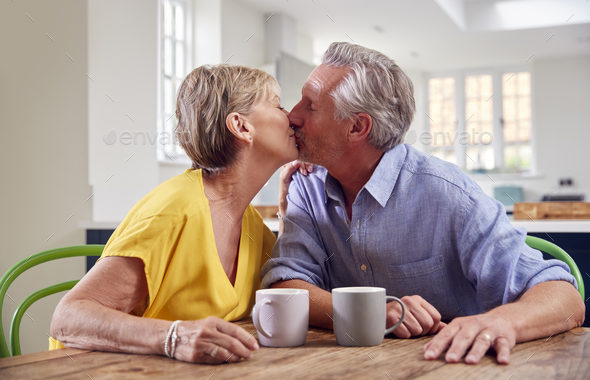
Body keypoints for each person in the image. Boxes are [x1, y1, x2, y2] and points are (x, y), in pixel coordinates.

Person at [261, 42, 585, 365]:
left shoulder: (448, 193)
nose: (292, 115)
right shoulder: (305, 183)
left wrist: (502, 322)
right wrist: (369, 312)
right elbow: (288, 283)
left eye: (310, 105)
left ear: (357, 127)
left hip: (454, 366)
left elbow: (565, 299)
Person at [50, 64, 302, 364]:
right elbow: (68, 317)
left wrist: (291, 213)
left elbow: (283, 291)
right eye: (278, 105)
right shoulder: (174, 211)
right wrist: (175, 337)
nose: (292, 117)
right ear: (241, 126)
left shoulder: (252, 225)